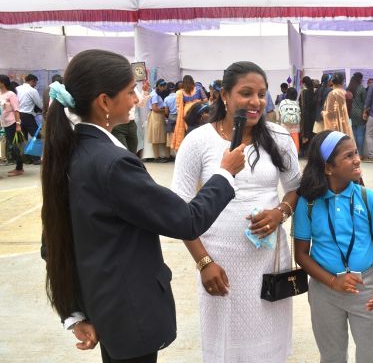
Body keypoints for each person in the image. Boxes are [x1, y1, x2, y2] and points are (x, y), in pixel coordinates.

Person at [40, 49, 246, 363]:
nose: (136, 99)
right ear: (104, 102)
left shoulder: (73, 151)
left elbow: (53, 243)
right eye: (129, 92)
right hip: (129, 311)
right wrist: (225, 173)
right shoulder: (112, 164)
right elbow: (186, 220)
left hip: (104, 307)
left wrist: (74, 312)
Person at [171, 61, 302, 363]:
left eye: (261, 94)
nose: (256, 102)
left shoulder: (279, 137)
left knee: (269, 341)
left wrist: (280, 213)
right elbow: (179, 209)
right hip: (220, 263)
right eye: (246, 93)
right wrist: (204, 262)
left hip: (269, 261)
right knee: (226, 342)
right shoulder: (199, 141)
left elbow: (296, 187)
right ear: (225, 96)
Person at [294, 130, 373, 363]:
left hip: (365, 288)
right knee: (332, 356)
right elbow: (301, 254)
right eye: (348, 156)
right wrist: (332, 281)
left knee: (372, 357)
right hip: (324, 291)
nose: (357, 159)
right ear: (328, 168)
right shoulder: (308, 203)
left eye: (356, 153)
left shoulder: (368, 198)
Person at [16, 73, 43, 164]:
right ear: (32, 81)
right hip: (27, 116)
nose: (35, 85)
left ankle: (26, 159)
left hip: (17, 115)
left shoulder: (17, 88)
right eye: (35, 83)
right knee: (37, 135)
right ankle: (36, 158)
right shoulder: (32, 90)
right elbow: (40, 104)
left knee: (23, 137)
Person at [171, 75, 202, 151]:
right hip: (197, 109)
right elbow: (205, 100)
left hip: (186, 111)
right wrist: (198, 102)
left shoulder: (180, 92)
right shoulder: (198, 89)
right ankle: (199, 147)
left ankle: (190, 147)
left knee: (189, 129)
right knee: (199, 128)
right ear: (192, 80)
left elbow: (179, 107)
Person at [0, 75, 23, 176]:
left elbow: (16, 110)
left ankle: (19, 168)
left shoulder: (11, 94)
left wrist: (18, 125)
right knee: (11, 145)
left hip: (12, 123)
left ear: (2, 82)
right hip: (4, 123)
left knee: (14, 146)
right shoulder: (1, 94)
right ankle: (18, 167)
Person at [323, 72, 353, 139]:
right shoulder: (346, 93)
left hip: (335, 124)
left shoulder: (332, 94)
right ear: (343, 81)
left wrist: (323, 113)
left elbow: (329, 112)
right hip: (345, 122)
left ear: (332, 81)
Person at [146, 79, 168, 162]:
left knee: (157, 136)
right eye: (164, 87)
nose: (164, 88)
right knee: (156, 137)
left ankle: (159, 156)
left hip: (156, 116)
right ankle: (157, 157)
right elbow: (155, 108)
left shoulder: (154, 93)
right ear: (159, 86)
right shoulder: (155, 95)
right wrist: (165, 110)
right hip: (156, 116)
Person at [348, 72, 367, 158]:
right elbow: (365, 102)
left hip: (351, 113)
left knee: (353, 135)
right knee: (360, 135)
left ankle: (353, 154)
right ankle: (360, 154)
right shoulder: (361, 88)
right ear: (360, 79)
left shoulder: (348, 88)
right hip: (360, 113)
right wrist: (365, 112)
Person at [279, 86, 301, 152]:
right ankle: (295, 154)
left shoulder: (283, 102)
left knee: (284, 143)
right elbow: (299, 114)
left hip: (284, 126)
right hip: (295, 127)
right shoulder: (296, 103)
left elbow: (280, 113)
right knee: (295, 143)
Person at [300, 75, 317, 156]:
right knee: (312, 133)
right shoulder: (313, 91)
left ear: (304, 83)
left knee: (306, 133)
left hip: (305, 115)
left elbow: (302, 105)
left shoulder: (304, 92)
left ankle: (305, 152)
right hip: (313, 115)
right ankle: (312, 151)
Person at [163, 82, 178, 158]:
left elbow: (166, 112)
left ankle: (175, 155)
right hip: (179, 117)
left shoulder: (166, 99)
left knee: (172, 137)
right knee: (180, 135)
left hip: (171, 117)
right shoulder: (179, 96)